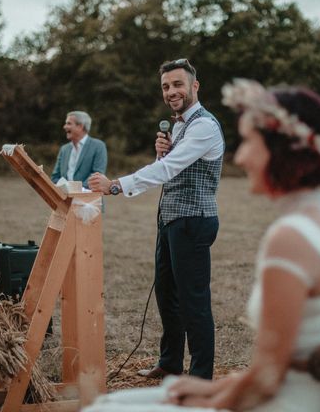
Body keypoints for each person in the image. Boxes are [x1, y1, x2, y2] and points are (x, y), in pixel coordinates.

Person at [84, 79, 320, 412]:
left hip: (284, 404)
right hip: (302, 396)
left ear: (282, 149)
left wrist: (206, 397)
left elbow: (265, 382)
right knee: (116, 401)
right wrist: (224, 387)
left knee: (102, 408)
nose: (241, 157)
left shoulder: (290, 238)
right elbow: (283, 369)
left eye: (249, 142)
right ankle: (175, 365)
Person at [89, 58, 225, 380]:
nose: (171, 91)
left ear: (194, 86)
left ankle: (201, 376)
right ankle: (171, 363)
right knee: (166, 294)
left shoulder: (204, 125)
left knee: (193, 301)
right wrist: (161, 152)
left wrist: (117, 185)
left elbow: (167, 170)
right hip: (171, 220)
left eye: (177, 84)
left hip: (194, 221)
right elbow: (167, 166)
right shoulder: (179, 125)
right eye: (165, 86)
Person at [51, 111, 107, 189]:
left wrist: (75, 189)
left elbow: (97, 176)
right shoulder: (64, 149)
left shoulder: (98, 146)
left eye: (69, 123)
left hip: (89, 199)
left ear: (80, 126)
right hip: (65, 199)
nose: (64, 127)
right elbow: (55, 177)